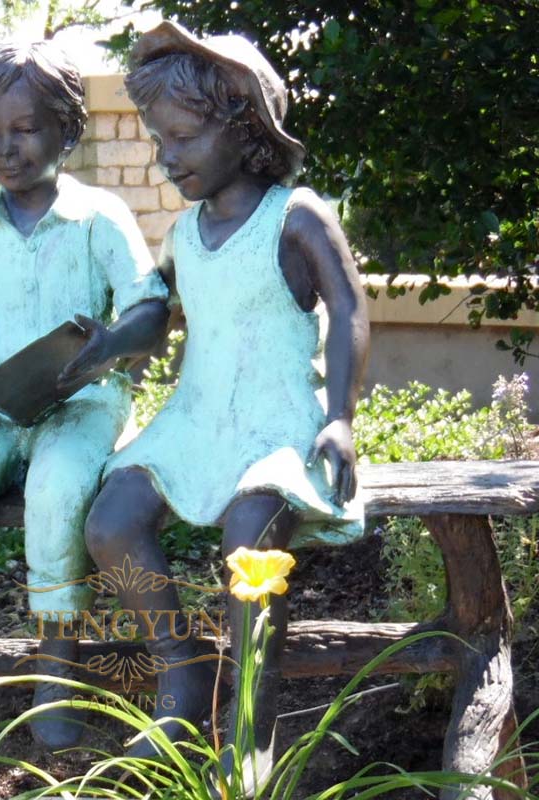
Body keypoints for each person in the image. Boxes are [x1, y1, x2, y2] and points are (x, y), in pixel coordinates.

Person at [83, 21, 369, 797]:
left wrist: (339, 417)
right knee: (111, 521)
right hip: (198, 418)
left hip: (278, 417)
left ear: (244, 130)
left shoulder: (296, 215)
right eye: (158, 140)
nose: (166, 157)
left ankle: (251, 724)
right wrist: (110, 341)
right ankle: (181, 673)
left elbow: (347, 310)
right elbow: (162, 312)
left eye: (180, 138)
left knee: (250, 532)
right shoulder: (184, 228)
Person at [0, 39, 169, 753]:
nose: (6, 149)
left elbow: (149, 308)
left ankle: (56, 666)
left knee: (56, 491)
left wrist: (109, 345)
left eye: (24, 129)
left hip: (81, 400)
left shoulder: (100, 217)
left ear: (66, 131)